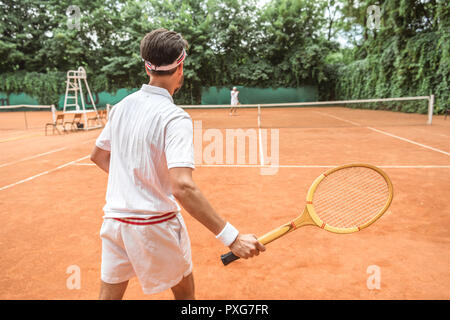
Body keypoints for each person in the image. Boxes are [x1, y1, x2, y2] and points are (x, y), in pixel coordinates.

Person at [90, 28, 265, 300]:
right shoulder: (175, 118)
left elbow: (99, 156)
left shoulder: (121, 106)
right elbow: (182, 186)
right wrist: (232, 237)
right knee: (185, 296)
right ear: (180, 66)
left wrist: (134, 182)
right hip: (155, 224)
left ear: (146, 65)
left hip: (114, 222)